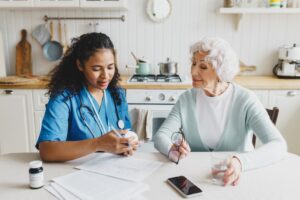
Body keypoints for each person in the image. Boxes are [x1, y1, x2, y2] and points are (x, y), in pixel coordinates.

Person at [154, 37, 287, 186]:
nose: (193, 71)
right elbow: (161, 136)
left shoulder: (246, 100)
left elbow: (278, 145)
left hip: (237, 181)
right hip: (197, 182)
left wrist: (240, 162)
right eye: (193, 63)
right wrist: (172, 150)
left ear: (220, 72)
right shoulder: (186, 99)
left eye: (203, 67)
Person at [36, 32, 138, 162]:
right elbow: (47, 151)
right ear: (80, 65)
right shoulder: (63, 99)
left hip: (113, 169)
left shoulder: (117, 94)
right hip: (75, 172)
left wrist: (127, 144)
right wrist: (98, 144)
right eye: (96, 69)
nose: (105, 75)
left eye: (110, 67)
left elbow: (125, 133)